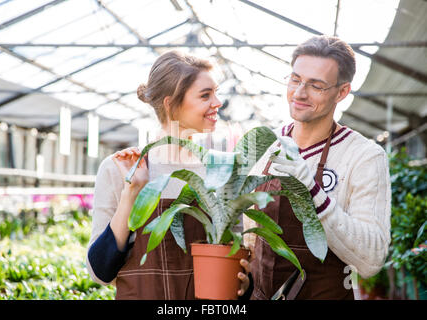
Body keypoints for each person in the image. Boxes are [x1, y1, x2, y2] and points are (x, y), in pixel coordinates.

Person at [86, 50, 250, 299]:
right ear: (170, 102)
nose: (218, 102)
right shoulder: (121, 167)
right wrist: (132, 193)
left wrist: (244, 281)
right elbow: (100, 272)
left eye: (216, 92)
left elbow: (240, 257)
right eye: (206, 95)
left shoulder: (223, 170)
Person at [244, 35, 391, 300]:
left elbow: (371, 259)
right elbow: (250, 238)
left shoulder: (364, 156)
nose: (299, 93)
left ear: (342, 92)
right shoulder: (267, 145)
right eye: (295, 79)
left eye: (316, 86)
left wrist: (312, 191)